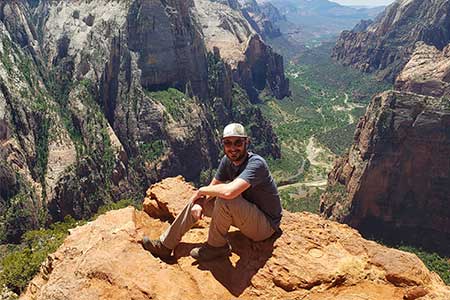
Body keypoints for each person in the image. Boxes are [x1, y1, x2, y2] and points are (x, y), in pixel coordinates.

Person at [142, 123, 282, 261]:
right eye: (228, 143)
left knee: (225, 198)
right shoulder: (227, 161)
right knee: (197, 201)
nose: (233, 148)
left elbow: (229, 193)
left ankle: (217, 247)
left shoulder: (256, 164)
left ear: (247, 142)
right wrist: (200, 202)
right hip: (247, 214)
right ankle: (165, 245)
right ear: (223, 144)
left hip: (266, 226)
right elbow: (214, 186)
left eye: (238, 142)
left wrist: (201, 190)